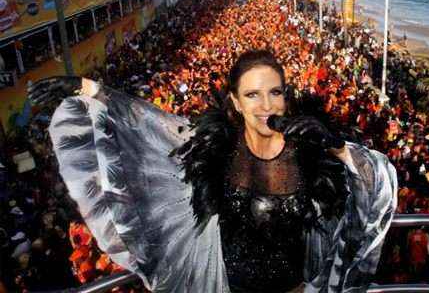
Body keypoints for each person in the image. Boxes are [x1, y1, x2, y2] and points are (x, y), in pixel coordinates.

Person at [29, 50, 397, 293]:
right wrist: (89, 88)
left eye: (275, 92)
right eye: (252, 95)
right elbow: (153, 126)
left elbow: (378, 183)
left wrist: (336, 145)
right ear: (235, 102)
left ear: (286, 96)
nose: (266, 105)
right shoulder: (214, 146)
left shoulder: (310, 150)